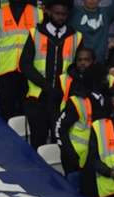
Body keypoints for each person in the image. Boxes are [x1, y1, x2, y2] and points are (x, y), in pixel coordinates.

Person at [20, 0, 81, 148]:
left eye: (64, 14)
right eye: (57, 13)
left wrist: (63, 87)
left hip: (62, 99)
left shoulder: (75, 37)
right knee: (37, 139)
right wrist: (47, 86)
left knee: (58, 140)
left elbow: (77, 67)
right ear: (49, 12)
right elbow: (25, 65)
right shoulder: (36, 33)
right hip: (38, 97)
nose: (60, 17)